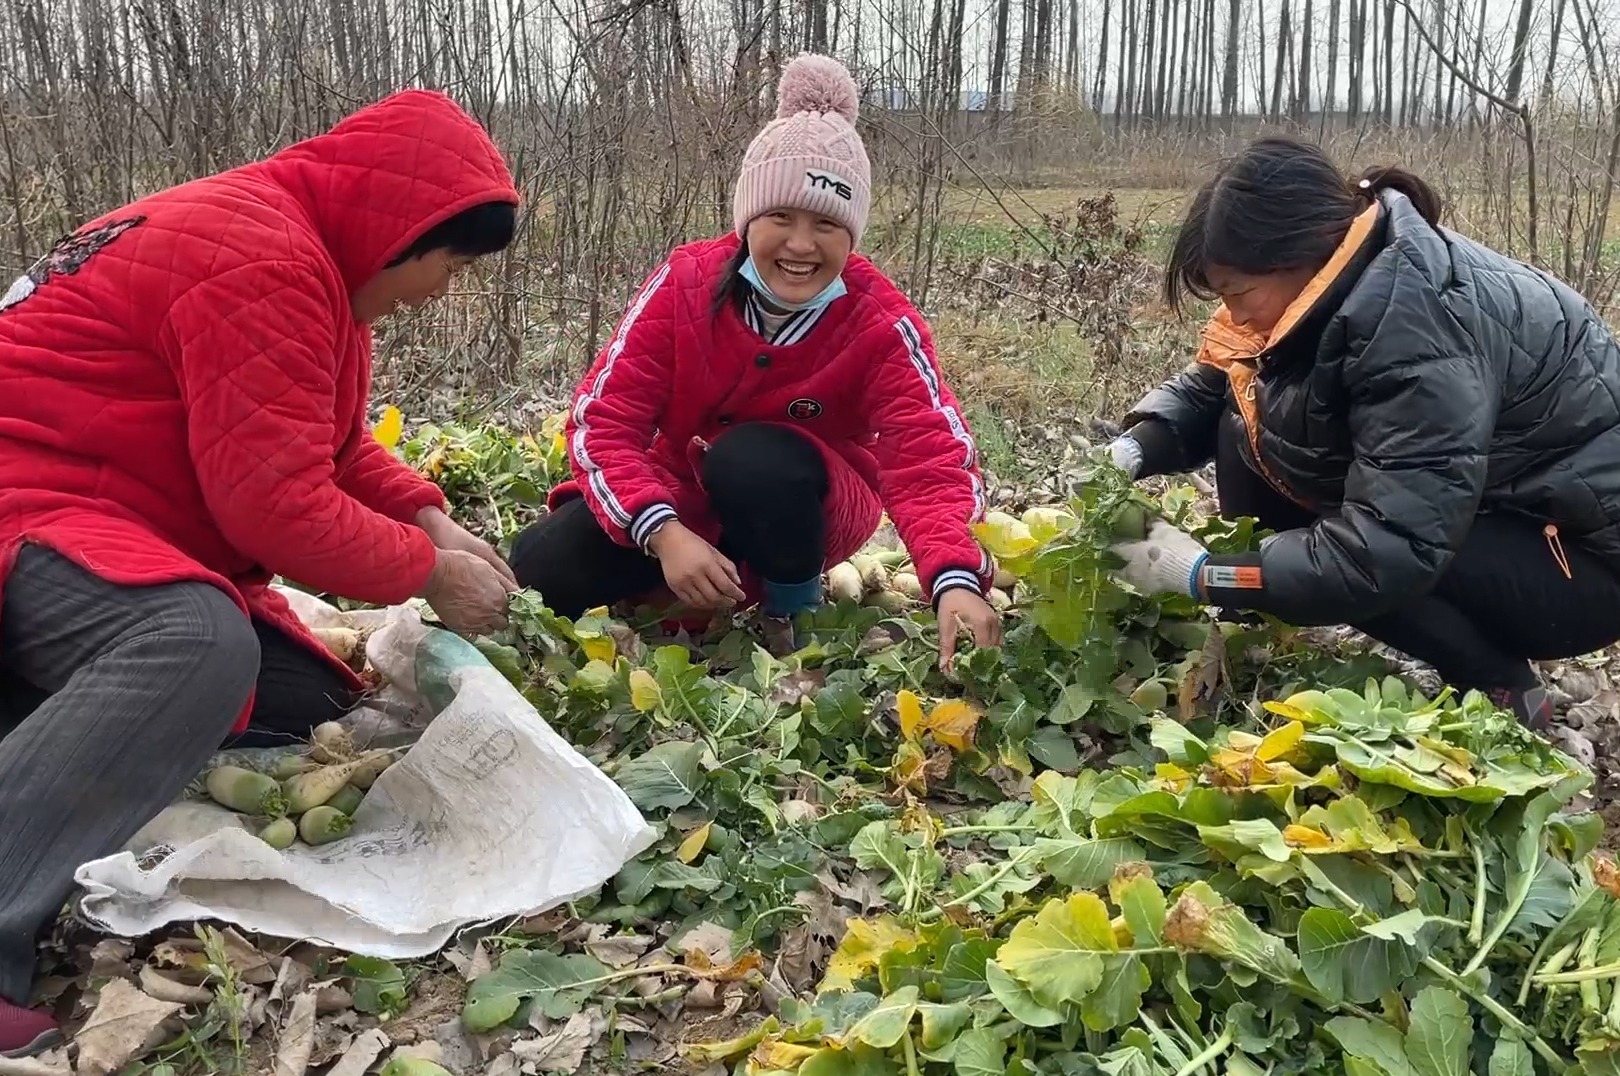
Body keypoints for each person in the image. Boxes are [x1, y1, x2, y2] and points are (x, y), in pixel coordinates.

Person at [0, 89, 521, 1055]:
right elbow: (276, 510)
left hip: (83, 514)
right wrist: (429, 576)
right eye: (449, 262)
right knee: (197, 648)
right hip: (28, 515)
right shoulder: (265, 262)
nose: (441, 291)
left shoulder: (298, 250)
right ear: (401, 232)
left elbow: (322, 445)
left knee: (293, 700)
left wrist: (430, 518)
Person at [1100, 134, 1620, 730]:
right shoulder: (1338, 280)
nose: (1234, 315)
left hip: (1582, 558)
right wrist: (1136, 446)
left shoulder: (1415, 321)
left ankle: (1507, 687)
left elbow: (1388, 551)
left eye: (1237, 293)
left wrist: (1205, 575)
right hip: (1497, 507)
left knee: (1367, 559)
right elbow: (1219, 382)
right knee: (1243, 418)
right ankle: (1253, 621)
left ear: (1298, 254)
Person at [508, 54, 1001, 668]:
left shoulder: (880, 321)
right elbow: (602, 422)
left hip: (809, 501)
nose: (800, 244)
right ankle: (691, 588)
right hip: (681, 495)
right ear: (748, 220)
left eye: (826, 223)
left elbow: (929, 456)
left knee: (753, 457)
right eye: (780, 217)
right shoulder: (686, 283)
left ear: (851, 235)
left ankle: (790, 609)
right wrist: (664, 533)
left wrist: (954, 576)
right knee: (536, 567)